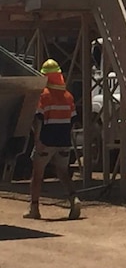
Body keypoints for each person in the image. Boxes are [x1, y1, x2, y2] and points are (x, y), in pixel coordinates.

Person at [24, 59, 82, 220]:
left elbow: (39, 119)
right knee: (63, 173)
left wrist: (37, 140)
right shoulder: (68, 96)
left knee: (37, 175)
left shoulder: (45, 95)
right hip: (64, 142)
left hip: (46, 141)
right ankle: (74, 199)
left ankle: (34, 209)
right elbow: (72, 121)